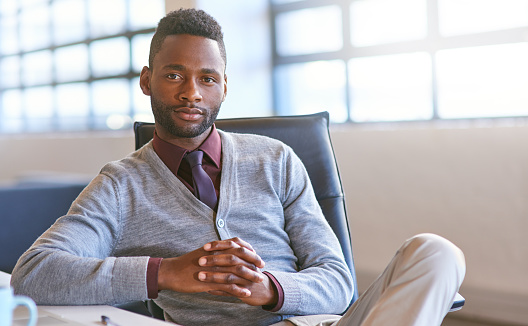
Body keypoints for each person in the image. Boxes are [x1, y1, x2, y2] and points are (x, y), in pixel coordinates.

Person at [11, 8, 465, 326]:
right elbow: (35, 274)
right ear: (147, 80)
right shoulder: (121, 184)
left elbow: (337, 281)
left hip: (322, 323)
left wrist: (271, 289)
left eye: (207, 78)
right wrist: (165, 273)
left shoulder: (276, 159)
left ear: (224, 86)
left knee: (437, 252)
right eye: (174, 75)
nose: (192, 92)